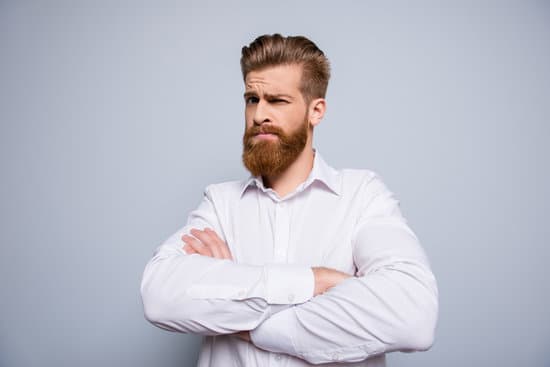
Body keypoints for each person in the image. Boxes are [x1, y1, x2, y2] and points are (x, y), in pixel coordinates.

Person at [140, 33, 438, 367]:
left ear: (316, 111)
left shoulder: (362, 197)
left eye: (277, 101)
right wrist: (316, 281)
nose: (258, 115)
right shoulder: (220, 204)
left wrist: (251, 321)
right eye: (252, 99)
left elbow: (413, 317)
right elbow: (160, 298)